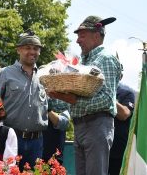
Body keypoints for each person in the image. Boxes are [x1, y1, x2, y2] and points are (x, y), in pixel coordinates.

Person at [49, 16, 122, 175]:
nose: (77, 40)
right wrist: (53, 97)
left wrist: (72, 99)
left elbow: (107, 99)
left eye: (82, 35)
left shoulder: (106, 58)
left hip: (97, 125)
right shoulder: (84, 62)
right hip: (81, 126)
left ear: (96, 35)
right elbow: (74, 100)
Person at [0, 29, 49, 171]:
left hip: (37, 141)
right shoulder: (4, 73)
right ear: (18, 50)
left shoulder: (44, 76)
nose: (32, 51)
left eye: (36, 48)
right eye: (27, 48)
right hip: (10, 137)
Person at [109, 70, 135, 175]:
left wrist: (108, 96)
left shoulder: (127, 93)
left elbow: (124, 114)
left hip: (117, 151)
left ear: (120, 76)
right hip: (98, 148)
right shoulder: (96, 92)